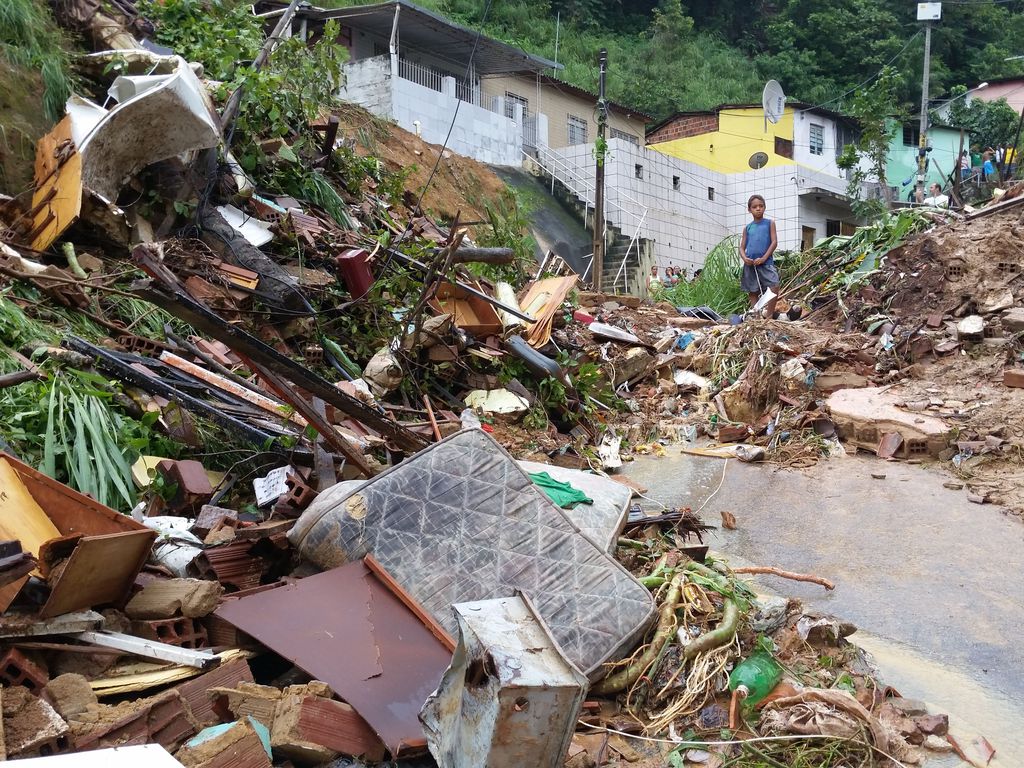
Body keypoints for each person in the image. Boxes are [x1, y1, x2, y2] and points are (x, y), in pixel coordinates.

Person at [739, 194, 780, 318]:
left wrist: (764, 258)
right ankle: (756, 316)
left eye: (761, 206)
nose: (758, 209)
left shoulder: (769, 223)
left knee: (774, 285)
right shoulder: (747, 228)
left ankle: (769, 315)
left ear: (764, 207)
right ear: (749, 209)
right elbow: (741, 247)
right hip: (751, 264)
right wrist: (745, 258)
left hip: (766, 263)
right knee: (753, 291)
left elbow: (774, 242)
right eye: (754, 207)